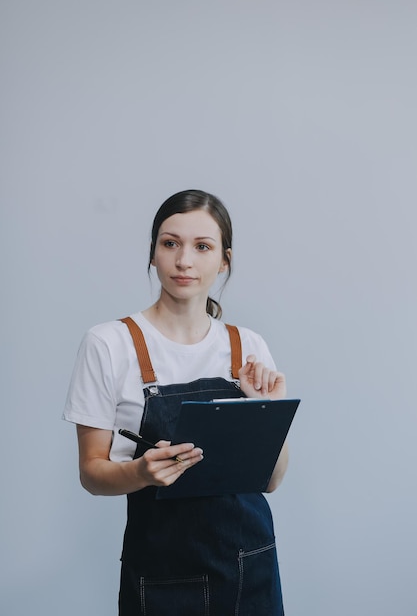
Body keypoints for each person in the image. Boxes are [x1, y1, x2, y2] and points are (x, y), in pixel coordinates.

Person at [63, 189, 289, 615]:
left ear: (224, 260)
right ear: (153, 254)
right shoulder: (109, 344)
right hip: (163, 573)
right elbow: (91, 473)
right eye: (170, 244)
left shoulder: (248, 347)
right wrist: (140, 472)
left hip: (251, 568)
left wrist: (267, 409)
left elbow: (272, 480)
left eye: (202, 247)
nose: (184, 260)